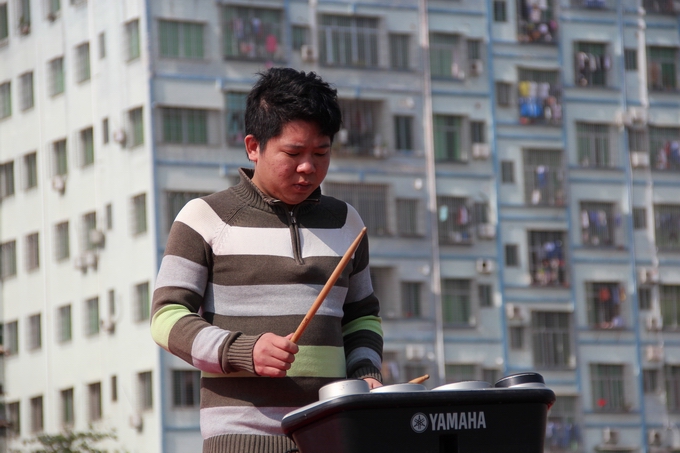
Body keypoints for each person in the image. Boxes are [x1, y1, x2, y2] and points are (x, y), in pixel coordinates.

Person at [150, 67, 384, 453]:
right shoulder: (204, 217)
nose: (308, 166)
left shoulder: (347, 222)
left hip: (332, 436)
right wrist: (242, 350)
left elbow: (361, 317)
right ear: (253, 146)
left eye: (321, 153)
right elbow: (166, 319)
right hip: (241, 440)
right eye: (293, 153)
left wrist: (366, 372)